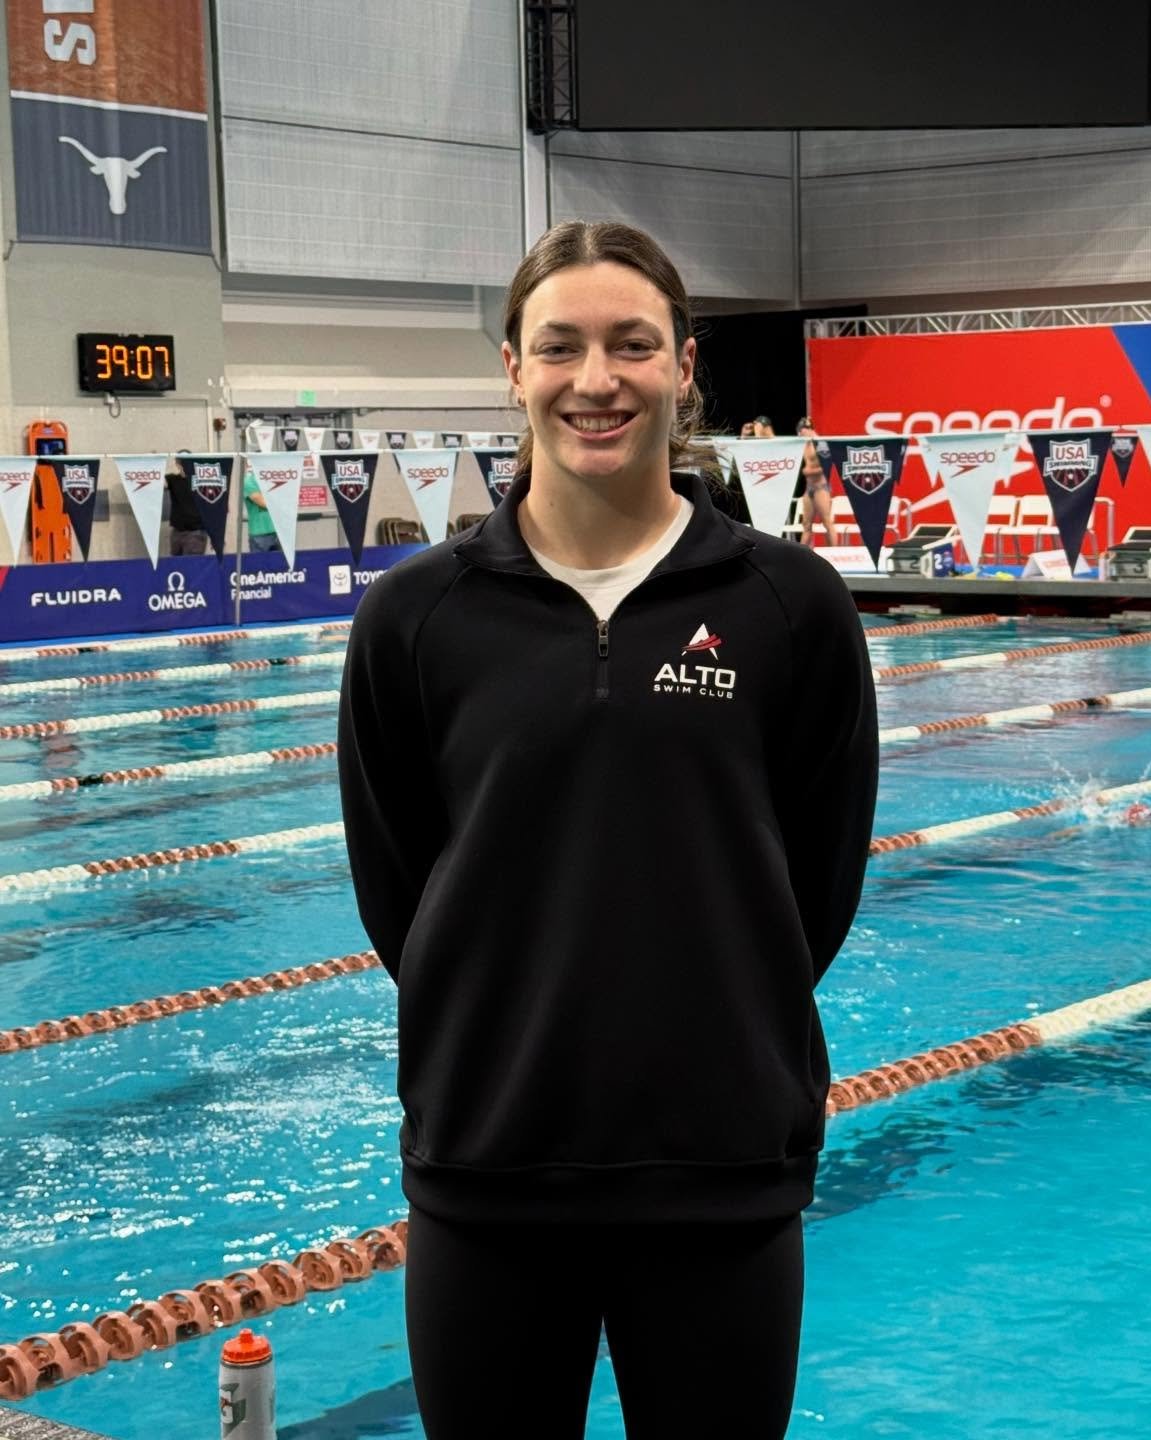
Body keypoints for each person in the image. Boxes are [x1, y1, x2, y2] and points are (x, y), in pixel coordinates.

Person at [337, 220, 879, 1440]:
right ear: (513, 369)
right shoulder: (418, 618)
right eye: (561, 347)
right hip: (487, 1176)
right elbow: (400, 890)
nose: (597, 380)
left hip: (722, 1180)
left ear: (685, 366)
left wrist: (717, 1022)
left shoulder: (791, 607)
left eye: (633, 345)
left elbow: (816, 884)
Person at [797, 417, 839, 548]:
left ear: (810, 430)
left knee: (827, 522)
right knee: (806, 525)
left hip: (821, 487)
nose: (801, 435)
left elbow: (826, 467)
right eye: (800, 433)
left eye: (803, 432)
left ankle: (835, 553)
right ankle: (802, 555)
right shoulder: (804, 444)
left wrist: (808, 471)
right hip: (809, 488)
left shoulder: (821, 444)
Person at [165, 450, 207, 556]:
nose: (184, 464)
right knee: (176, 567)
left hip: (195, 532)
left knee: (191, 567)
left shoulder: (201, 480)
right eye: (181, 461)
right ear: (177, 463)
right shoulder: (172, 479)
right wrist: (155, 464)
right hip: (177, 532)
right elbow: (157, 482)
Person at [241, 463, 282, 553]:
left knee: (281, 565)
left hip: (278, 531)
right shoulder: (249, 481)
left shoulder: (274, 480)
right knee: (259, 566)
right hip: (259, 534)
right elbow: (262, 502)